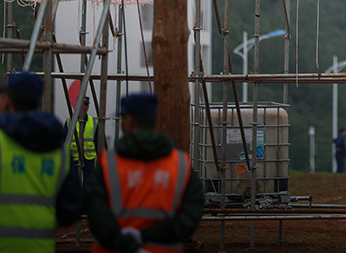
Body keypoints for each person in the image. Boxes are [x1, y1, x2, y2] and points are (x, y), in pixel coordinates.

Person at [86, 92, 204, 253]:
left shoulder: (109, 164)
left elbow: (95, 212)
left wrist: (121, 240)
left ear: (129, 121)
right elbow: (190, 216)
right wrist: (145, 235)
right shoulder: (180, 164)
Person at [0, 72, 83, 250]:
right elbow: (71, 207)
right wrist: (40, 220)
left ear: (7, 100)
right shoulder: (60, 151)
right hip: (40, 246)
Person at [67, 95, 98, 188]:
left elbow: (97, 141)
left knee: (88, 186)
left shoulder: (93, 122)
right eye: (82, 105)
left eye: (86, 105)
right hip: (74, 159)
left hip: (89, 159)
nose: (84, 107)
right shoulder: (70, 122)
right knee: (73, 185)